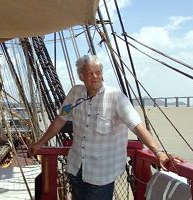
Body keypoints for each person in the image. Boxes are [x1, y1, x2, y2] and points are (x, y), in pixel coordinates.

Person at [29, 55, 182, 200]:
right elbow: (60, 119)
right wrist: (39, 143)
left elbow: (137, 126)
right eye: (90, 73)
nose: (95, 76)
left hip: (101, 172)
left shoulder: (116, 97)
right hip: (76, 166)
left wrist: (159, 153)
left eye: (98, 72)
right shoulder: (75, 93)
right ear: (81, 76)